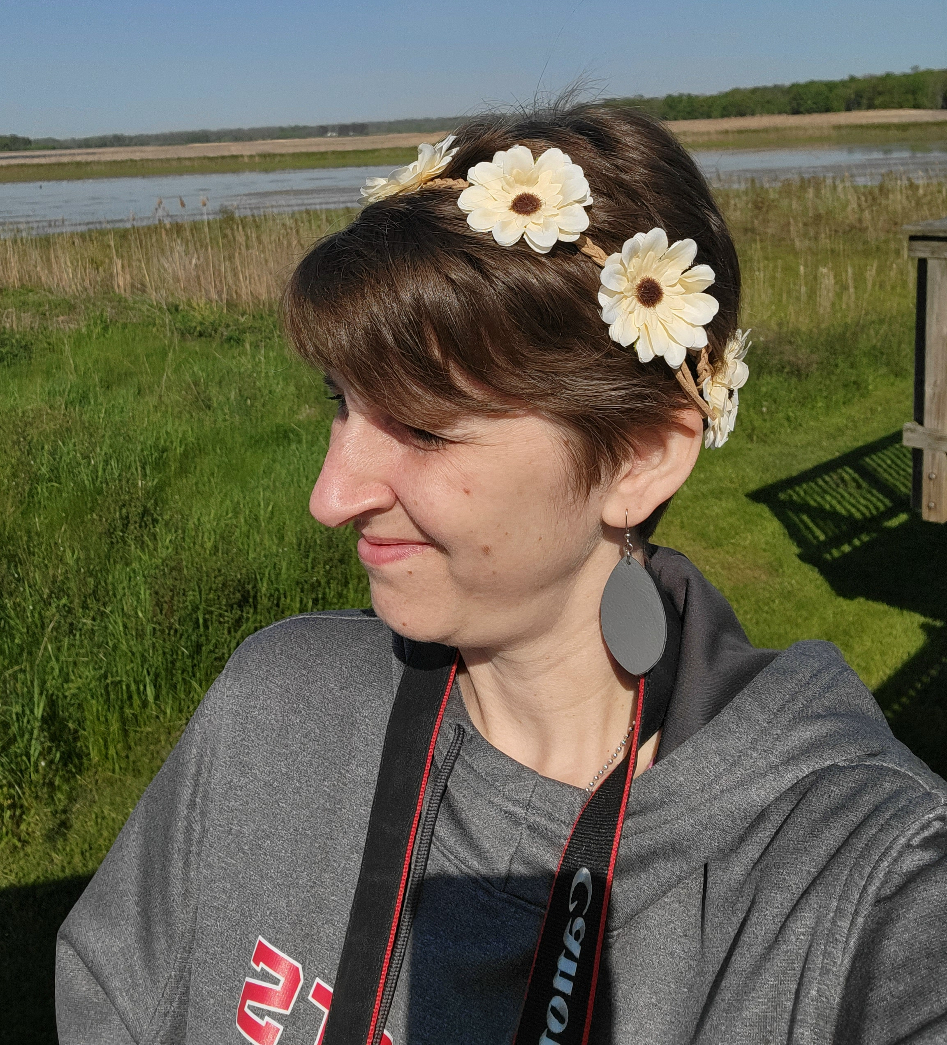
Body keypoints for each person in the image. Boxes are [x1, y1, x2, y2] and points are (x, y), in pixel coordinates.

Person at [56, 100, 947, 1045]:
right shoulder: (274, 709)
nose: (330, 495)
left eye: (426, 427)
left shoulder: (859, 880)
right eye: (341, 404)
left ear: (641, 454)